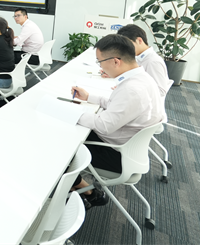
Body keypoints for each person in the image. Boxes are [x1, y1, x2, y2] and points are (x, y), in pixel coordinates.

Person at [70, 34, 163, 209]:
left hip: (115, 154)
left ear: (115, 61)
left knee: (61, 144)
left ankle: (89, 192)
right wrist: (89, 97)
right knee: (72, 130)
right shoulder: (141, 79)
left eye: (100, 61)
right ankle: (82, 190)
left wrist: (70, 113)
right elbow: (118, 105)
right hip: (125, 147)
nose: (100, 66)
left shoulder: (131, 89)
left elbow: (103, 126)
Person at [116, 24, 172, 122]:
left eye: (128, 45)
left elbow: (160, 91)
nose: (125, 49)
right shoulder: (140, 57)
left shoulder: (152, 62)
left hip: (146, 114)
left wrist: (131, 88)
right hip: (140, 107)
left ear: (139, 40)